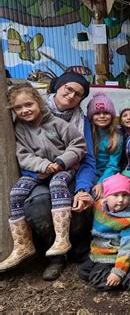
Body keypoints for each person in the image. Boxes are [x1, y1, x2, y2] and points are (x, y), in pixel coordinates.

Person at [0, 83, 86, 271]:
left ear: (38, 102)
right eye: (18, 108)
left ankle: (61, 238)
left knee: (57, 184)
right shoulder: (19, 129)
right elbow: (23, 155)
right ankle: (23, 244)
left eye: (28, 104)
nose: (24, 110)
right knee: (16, 192)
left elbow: (78, 145)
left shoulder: (57, 123)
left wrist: (61, 161)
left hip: (63, 168)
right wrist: (44, 165)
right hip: (38, 171)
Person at [23, 71, 96, 281]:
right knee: (38, 204)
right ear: (58, 86)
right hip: (37, 173)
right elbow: (22, 151)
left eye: (78, 94)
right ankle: (55, 256)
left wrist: (83, 188)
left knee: (76, 202)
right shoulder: (33, 112)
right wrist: (40, 171)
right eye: (68, 89)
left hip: (70, 173)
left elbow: (88, 159)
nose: (72, 95)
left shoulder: (81, 122)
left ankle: (77, 246)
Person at [78, 173, 130, 302]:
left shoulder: (129, 221)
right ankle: (115, 275)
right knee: (83, 271)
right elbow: (92, 210)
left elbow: (128, 249)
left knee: (96, 279)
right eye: (116, 195)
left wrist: (118, 272)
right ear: (106, 197)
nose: (120, 200)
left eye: (125, 195)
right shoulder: (100, 206)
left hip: (116, 256)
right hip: (100, 253)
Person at [87, 92, 123, 199]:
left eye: (106, 113)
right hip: (89, 172)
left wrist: (101, 182)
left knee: (101, 196)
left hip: (107, 175)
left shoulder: (116, 136)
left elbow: (113, 165)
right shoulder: (87, 132)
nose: (102, 116)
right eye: (97, 113)